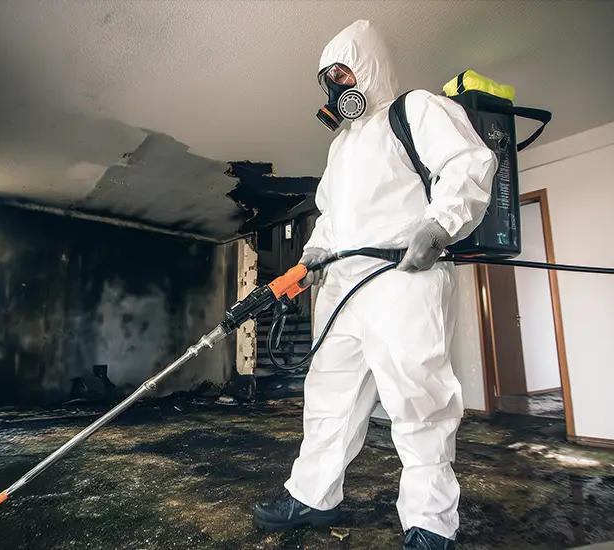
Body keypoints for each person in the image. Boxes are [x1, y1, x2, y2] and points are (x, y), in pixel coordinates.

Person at [252, 20, 497, 550]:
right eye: (327, 81)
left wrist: (440, 224)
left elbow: (469, 163)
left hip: (402, 279)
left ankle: (430, 523)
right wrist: (318, 247)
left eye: (343, 73)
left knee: (418, 401)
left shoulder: (416, 110)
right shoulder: (340, 148)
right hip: (343, 288)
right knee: (328, 397)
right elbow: (331, 212)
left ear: (369, 67)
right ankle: (314, 497)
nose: (336, 88)